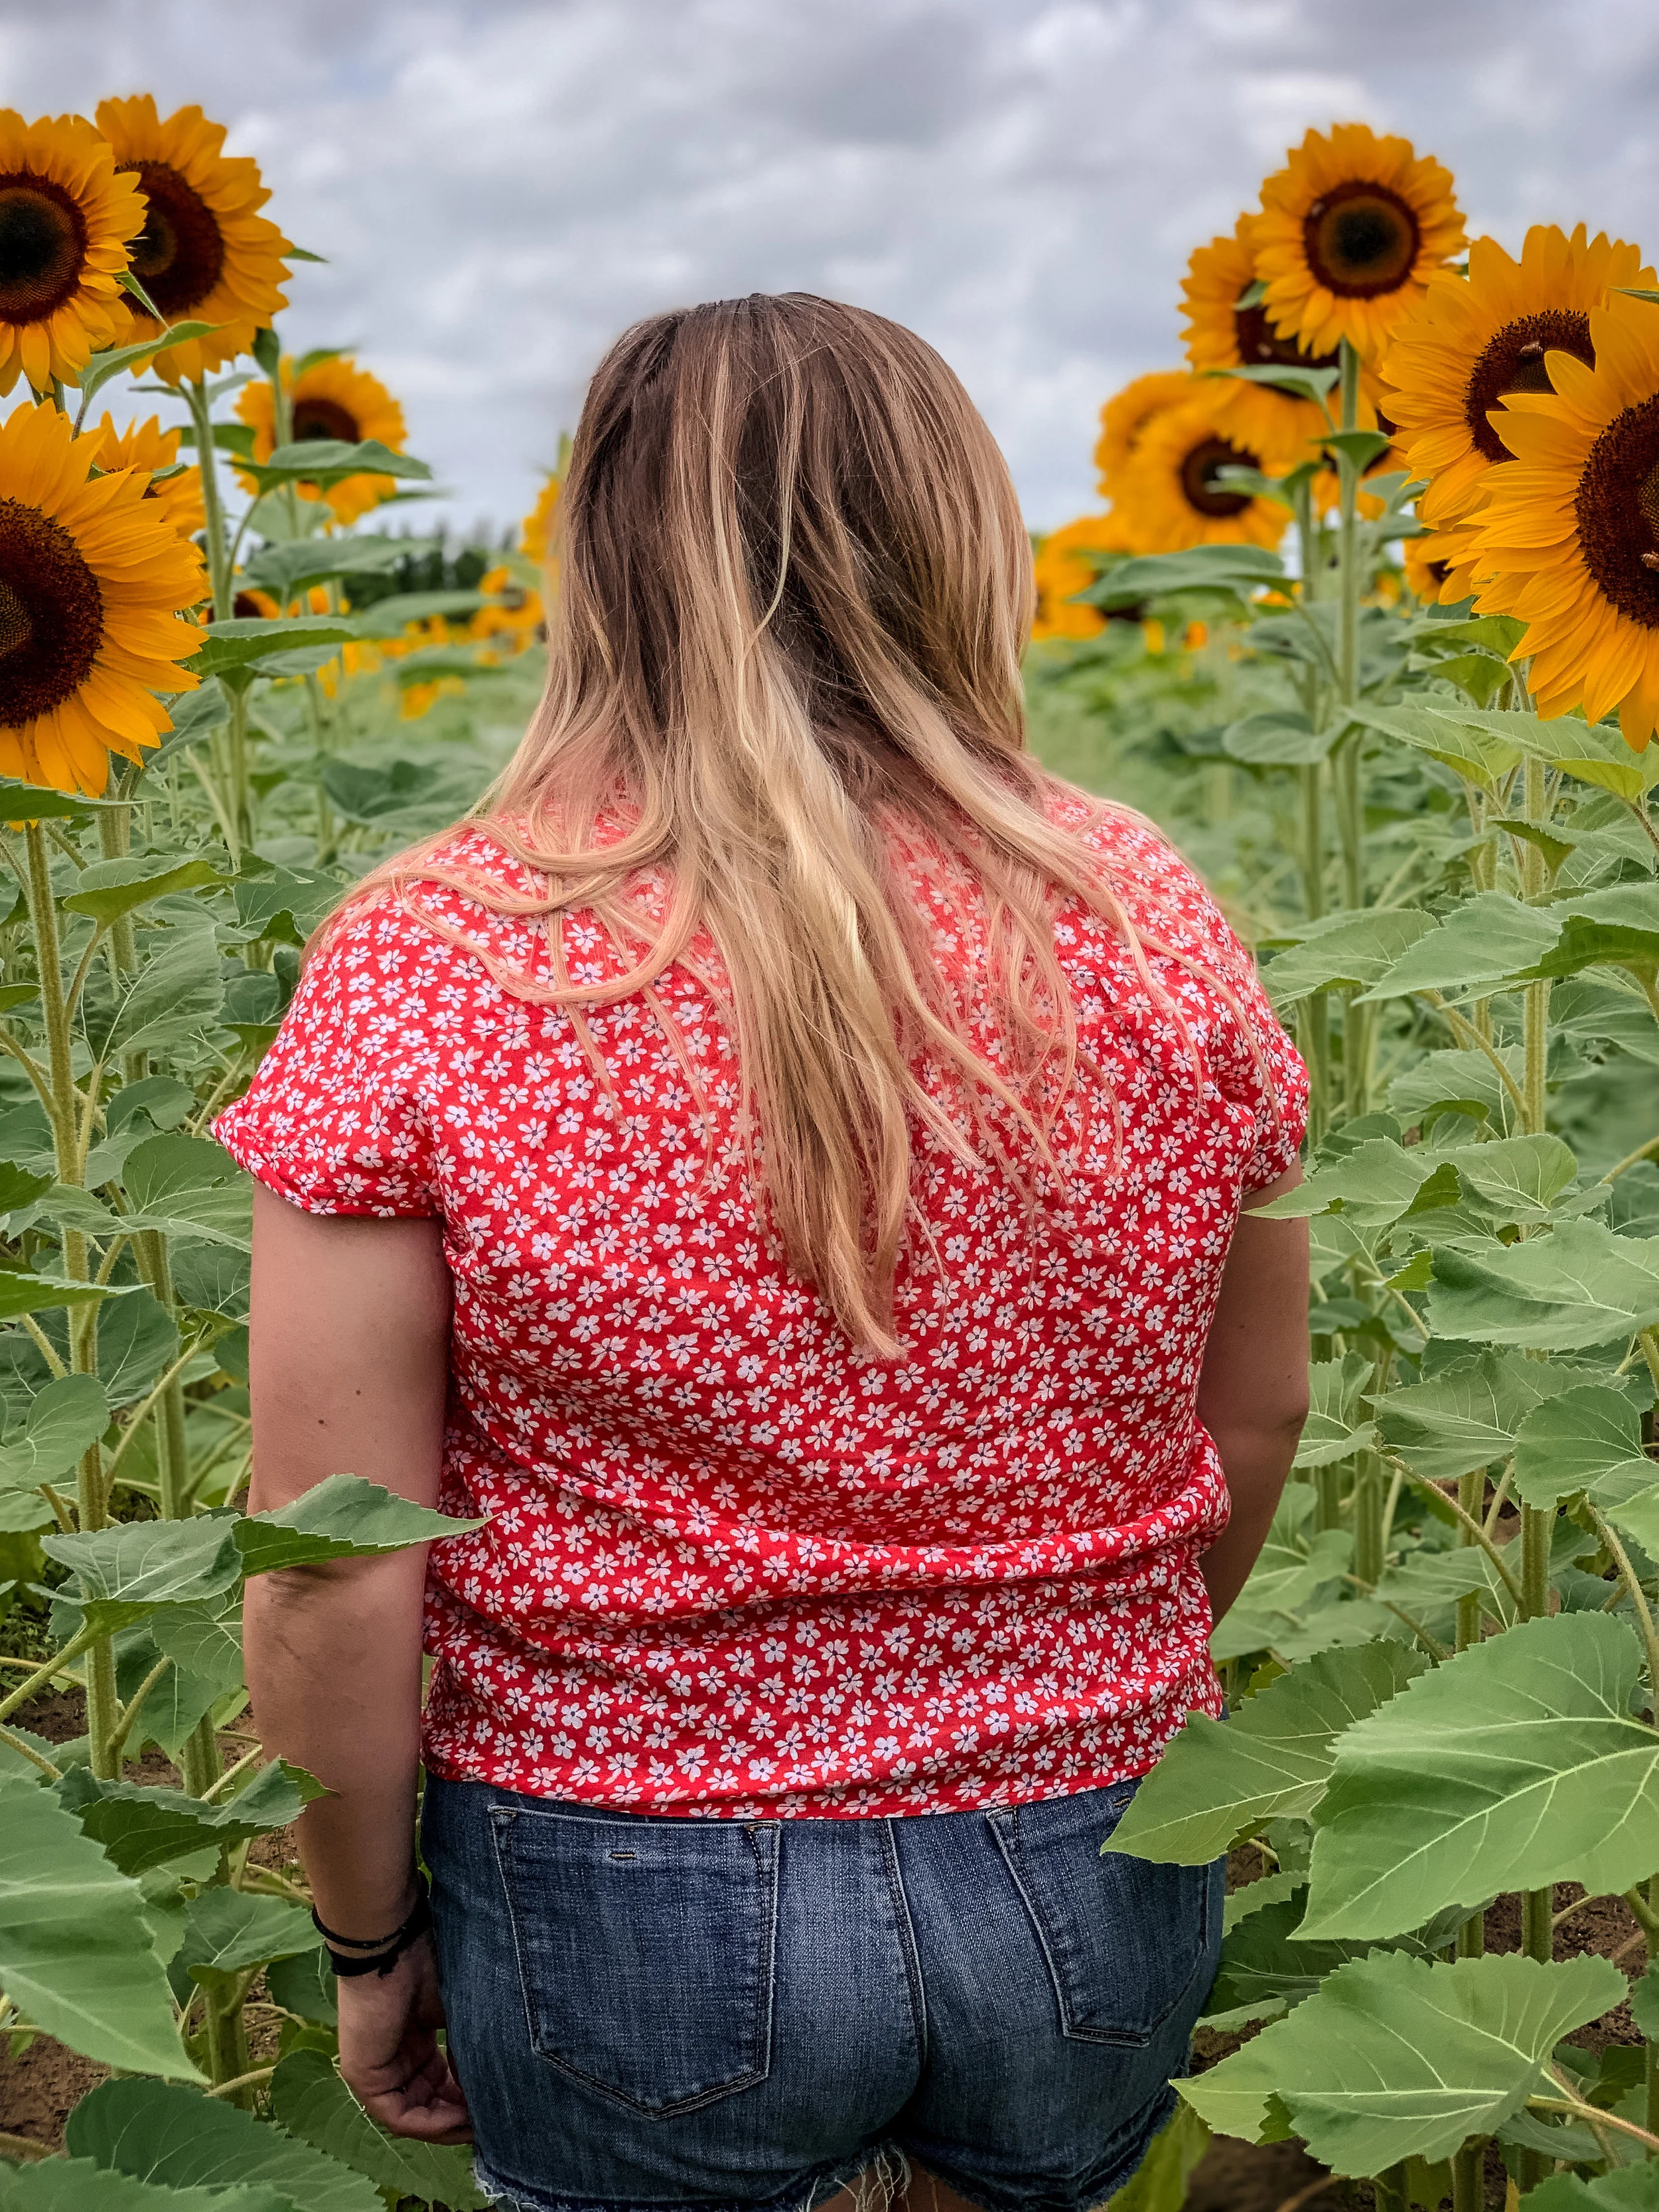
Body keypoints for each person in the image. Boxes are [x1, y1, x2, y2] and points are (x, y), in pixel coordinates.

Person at [224, 292, 1310, 2212]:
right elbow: (1260, 1406)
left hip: (620, 1875)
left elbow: (331, 1562)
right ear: (960, 539)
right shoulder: (1146, 915)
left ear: (600, 565)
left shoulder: (441, 952)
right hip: (1090, 1846)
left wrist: (368, 1937)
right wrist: (1075, 1691)